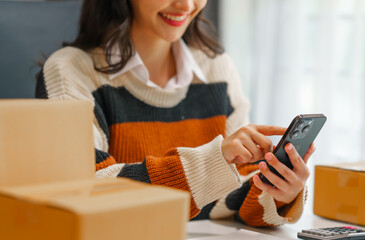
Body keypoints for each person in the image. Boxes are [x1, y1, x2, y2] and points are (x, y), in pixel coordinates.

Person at [36, 0, 314, 227]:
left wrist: (278, 191)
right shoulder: (69, 71)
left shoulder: (217, 69)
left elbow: (232, 198)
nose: (185, 5)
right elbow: (84, 192)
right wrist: (213, 161)